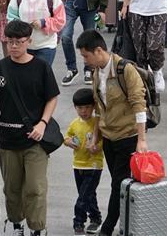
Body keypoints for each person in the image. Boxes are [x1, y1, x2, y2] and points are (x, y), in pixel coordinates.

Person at [0, 20, 59, 236]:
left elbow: (52, 98)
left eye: (19, 42)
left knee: (35, 188)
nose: (14, 46)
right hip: (8, 138)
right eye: (10, 42)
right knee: (12, 188)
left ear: (29, 41)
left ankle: (37, 227)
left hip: (35, 139)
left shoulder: (41, 67)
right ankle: (16, 224)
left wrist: (43, 123)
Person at [76, 29, 149, 236]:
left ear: (99, 50)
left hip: (128, 137)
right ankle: (127, 223)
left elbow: (139, 104)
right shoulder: (97, 73)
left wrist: (141, 139)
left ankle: (107, 228)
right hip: (109, 138)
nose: (85, 60)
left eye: (86, 56)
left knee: (118, 184)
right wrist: (96, 138)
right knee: (120, 184)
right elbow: (100, 109)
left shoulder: (125, 70)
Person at [6, 0, 65, 67]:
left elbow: (60, 20)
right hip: (23, 45)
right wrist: (21, 27)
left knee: (40, 74)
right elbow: (11, 16)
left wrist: (43, 23)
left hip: (46, 45)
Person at [64, 88, 104, 235]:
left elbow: (104, 140)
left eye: (87, 107)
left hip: (94, 166)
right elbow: (66, 137)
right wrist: (68, 142)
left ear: (93, 107)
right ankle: (96, 218)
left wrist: (97, 147)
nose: (84, 111)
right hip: (78, 164)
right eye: (80, 108)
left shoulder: (97, 123)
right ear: (75, 108)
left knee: (83, 197)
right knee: (89, 194)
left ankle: (78, 222)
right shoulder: (74, 124)